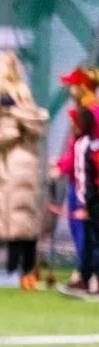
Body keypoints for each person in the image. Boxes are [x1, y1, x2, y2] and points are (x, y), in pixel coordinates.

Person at [0, 50, 48, 290]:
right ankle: (27, 271)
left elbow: (9, 132)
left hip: (11, 165)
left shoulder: (7, 95)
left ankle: (11, 271)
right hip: (29, 162)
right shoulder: (24, 93)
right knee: (25, 220)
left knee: (13, 220)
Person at [50, 66, 99, 290]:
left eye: (72, 85)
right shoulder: (83, 110)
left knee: (86, 231)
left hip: (86, 184)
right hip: (80, 180)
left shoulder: (91, 113)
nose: (69, 89)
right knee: (83, 230)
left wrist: (62, 167)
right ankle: (84, 273)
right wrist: (61, 164)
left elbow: (82, 153)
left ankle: (87, 274)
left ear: (82, 87)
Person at [71, 107, 99, 295]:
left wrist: (86, 204)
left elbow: (84, 177)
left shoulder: (83, 145)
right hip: (93, 199)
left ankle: (92, 278)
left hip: (92, 201)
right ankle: (86, 277)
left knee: (93, 241)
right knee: (90, 242)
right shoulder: (92, 144)